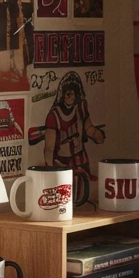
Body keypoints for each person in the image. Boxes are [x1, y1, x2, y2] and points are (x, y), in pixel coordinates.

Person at [44, 71, 105, 202]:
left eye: (73, 93)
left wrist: (96, 134)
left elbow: (88, 127)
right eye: (68, 93)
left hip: (81, 159)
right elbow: (49, 148)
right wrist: (51, 167)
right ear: (62, 94)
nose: (70, 97)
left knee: (83, 193)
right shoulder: (53, 116)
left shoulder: (81, 108)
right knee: (66, 196)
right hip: (62, 162)